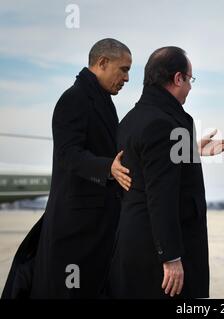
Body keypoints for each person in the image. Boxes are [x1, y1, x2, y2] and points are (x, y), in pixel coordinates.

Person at [2, 38, 133, 299]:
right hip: (77, 229)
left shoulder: (102, 100)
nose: (127, 78)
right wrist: (108, 167)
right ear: (102, 63)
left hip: (98, 226)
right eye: (124, 69)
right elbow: (68, 155)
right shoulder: (74, 99)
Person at [105, 46, 224, 299]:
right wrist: (171, 257)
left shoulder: (132, 119)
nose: (190, 87)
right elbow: (160, 196)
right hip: (156, 256)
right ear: (178, 79)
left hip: (134, 244)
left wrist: (190, 152)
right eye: (190, 80)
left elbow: (147, 172)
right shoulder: (163, 124)